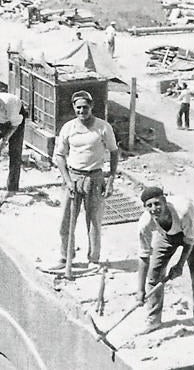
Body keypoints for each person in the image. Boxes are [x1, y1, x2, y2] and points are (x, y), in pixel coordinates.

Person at [54, 90, 119, 268]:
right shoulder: (68, 128)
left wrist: (111, 180)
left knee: (94, 221)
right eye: (78, 108)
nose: (82, 111)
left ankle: (93, 259)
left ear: (91, 107)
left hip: (95, 178)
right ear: (74, 108)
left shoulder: (103, 127)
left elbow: (114, 152)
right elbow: (59, 156)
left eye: (85, 107)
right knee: (66, 221)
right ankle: (66, 256)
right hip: (73, 177)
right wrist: (67, 180)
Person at [136, 186, 194, 333]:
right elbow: (144, 256)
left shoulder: (183, 212)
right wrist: (140, 290)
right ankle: (153, 320)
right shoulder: (145, 223)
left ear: (164, 201)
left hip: (192, 228)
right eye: (149, 206)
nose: (154, 208)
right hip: (167, 234)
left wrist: (179, 265)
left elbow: (190, 241)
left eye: (157, 204)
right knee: (154, 274)